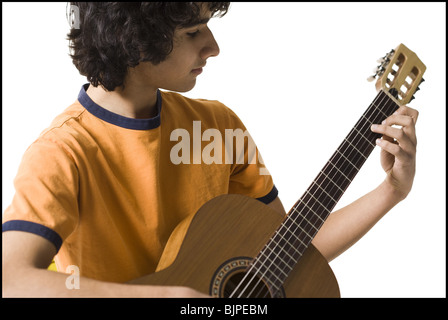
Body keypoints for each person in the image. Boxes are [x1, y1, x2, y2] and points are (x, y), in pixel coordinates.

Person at [2, 2, 418, 298]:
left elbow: (285, 254)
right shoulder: (63, 152)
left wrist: (390, 192)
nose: (213, 46)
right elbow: (11, 280)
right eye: (192, 32)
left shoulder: (217, 127)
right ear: (135, 41)